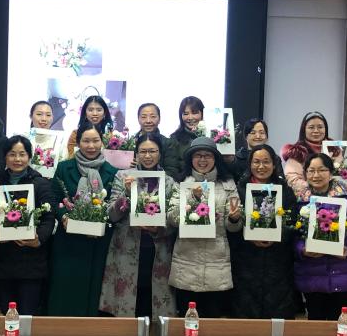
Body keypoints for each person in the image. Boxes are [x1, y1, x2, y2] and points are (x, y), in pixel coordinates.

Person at [100, 131, 176, 319]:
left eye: (153, 151)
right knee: (127, 300)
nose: (148, 156)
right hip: (127, 247)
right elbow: (111, 215)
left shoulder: (169, 182)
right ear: (136, 153)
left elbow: (174, 220)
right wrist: (126, 194)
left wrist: (159, 227)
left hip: (158, 251)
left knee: (151, 299)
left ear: (160, 153)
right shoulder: (123, 176)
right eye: (143, 151)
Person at [167, 136, 242, 318]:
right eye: (198, 155)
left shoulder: (228, 184)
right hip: (186, 261)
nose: (202, 160)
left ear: (215, 158)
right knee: (186, 321)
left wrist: (234, 219)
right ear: (190, 159)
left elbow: (233, 228)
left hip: (217, 263)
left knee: (212, 322)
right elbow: (171, 219)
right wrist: (192, 198)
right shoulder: (181, 183)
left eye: (207, 155)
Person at [47, 122, 118, 315]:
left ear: (102, 142)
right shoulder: (64, 167)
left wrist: (100, 219)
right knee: (64, 287)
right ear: (78, 143)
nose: (91, 146)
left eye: (95, 140)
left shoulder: (112, 172)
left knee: (92, 289)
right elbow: (54, 198)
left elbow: (112, 205)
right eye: (86, 141)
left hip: (97, 242)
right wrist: (63, 216)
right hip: (68, 239)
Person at [0, 135, 56, 315]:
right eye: (12, 154)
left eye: (22, 154)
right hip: (3, 260)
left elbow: (48, 218)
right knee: (7, 314)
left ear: (29, 156)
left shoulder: (41, 184)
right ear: (5, 157)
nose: (17, 159)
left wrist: (38, 239)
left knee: (27, 315)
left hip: (31, 262)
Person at [292, 151, 347, 321]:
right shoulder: (300, 200)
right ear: (305, 174)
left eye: (322, 170)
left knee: (340, 323)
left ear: (331, 172)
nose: (316, 175)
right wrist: (302, 250)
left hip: (342, 271)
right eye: (311, 171)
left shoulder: (346, 198)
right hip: (311, 272)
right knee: (315, 324)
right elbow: (292, 234)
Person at [229, 143, 297, 319]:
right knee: (246, 313)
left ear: (274, 164)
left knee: (277, 314)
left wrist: (277, 236)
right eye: (256, 162)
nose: (261, 166)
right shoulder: (239, 189)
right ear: (249, 164)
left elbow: (293, 221)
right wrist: (245, 233)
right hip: (246, 261)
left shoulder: (285, 190)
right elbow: (232, 228)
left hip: (278, 261)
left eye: (266, 162)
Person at [283, 111, 332, 200]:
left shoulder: (335, 149)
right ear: (304, 130)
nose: (316, 131)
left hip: (334, 197)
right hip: (306, 199)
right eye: (311, 127)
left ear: (326, 129)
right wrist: (315, 188)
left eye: (320, 127)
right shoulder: (297, 152)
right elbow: (292, 178)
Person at [163, 96, 205, 179]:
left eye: (194, 113)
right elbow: (172, 170)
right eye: (185, 114)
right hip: (183, 183)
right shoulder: (175, 139)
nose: (190, 117)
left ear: (202, 114)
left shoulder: (213, 136)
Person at [65, 95, 113, 159]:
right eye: (90, 110)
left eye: (99, 110)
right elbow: (71, 157)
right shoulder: (75, 134)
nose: (95, 113)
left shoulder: (111, 135)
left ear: (104, 113)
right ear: (85, 113)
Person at [229, 117, 269, 182]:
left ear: (267, 136)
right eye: (253, 133)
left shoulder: (274, 158)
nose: (258, 136)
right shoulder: (236, 159)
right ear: (246, 136)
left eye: (262, 133)